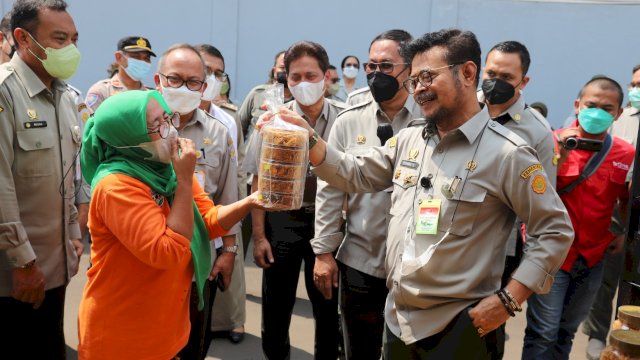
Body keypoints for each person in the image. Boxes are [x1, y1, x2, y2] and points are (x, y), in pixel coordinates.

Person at [262, 28, 574, 359]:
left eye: (427, 77)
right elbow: (353, 172)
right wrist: (308, 137)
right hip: (398, 320)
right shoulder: (411, 140)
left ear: (467, 73)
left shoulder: (508, 154)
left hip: (462, 326)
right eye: (413, 81)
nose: (418, 90)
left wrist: (509, 299)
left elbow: (554, 231)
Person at [77, 90, 261, 359]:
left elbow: (207, 221)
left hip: (165, 323)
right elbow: (167, 252)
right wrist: (185, 181)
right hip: (122, 332)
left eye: (167, 118)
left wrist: (253, 201)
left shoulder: (165, 169)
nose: (170, 130)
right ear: (128, 137)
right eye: (156, 125)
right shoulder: (116, 185)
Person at [312, 28, 421, 360]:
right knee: (359, 348)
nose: (376, 74)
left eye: (386, 66)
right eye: (370, 66)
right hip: (361, 257)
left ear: (410, 68)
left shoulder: (430, 117)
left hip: (415, 263)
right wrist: (324, 251)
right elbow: (331, 189)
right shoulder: (350, 119)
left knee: (407, 350)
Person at [245, 40, 345, 360]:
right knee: (276, 306)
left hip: (330, 224)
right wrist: (259, 237)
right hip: (283, 221)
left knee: (328, 308)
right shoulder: (273, 121)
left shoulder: (345, 120)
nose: (304, 83)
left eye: (311, 75)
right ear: (285, 79)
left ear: (327, 77)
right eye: (295, 77)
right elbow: (257, 180)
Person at [523, 76, 635, 360]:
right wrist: (556, 153)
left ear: (619, 114)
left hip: (592, 258)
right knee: (543, 331)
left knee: (566, 331)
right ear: (577, 105)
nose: (597, 112)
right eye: (591, 105)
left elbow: (625, 200)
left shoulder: (626, 153)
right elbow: (529, 194)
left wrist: (620, 233)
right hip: (553, 255)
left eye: (607, 108)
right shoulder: (550, 143)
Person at [0, 1, 83, 358]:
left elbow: (70, 173)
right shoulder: (5, 92)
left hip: (56, 265)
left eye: (75, 39)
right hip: (17, 273)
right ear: (23, 38)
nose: (71, 49)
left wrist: (75, 233)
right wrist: (23, 263)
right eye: (60, 39)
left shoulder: (66, 96)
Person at [153, 43, 240, 359]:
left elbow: (228, 197)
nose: (183, 88)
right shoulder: (139, 127)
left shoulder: (218, 132)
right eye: (174, 79)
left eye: (192, 82)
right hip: (148, 256)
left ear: (204, 87)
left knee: (193, 343)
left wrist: (228, 252)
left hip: (200, 258)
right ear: (158, 79)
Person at [478, 41, 556, 313]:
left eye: (507, 78)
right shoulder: (461, 111)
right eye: (491, 75)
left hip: (499, 250)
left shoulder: (537, 133)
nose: (496, 83)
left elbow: (543, 213)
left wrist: (522, 282)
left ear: (523, 81)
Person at [582, 64, 640, 360]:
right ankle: (597, 334)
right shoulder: (622, 118)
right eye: (633, 84)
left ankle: (630, 337)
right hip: (621, 207)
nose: (635, 91)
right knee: (607, 278)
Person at [196, 43, 249, 345]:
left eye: (219, 73)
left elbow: (236, 169)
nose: (212, 78)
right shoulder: (161, 115)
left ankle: (231, 321)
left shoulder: (227, 118)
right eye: (207, 71)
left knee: (227, 261)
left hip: (222, 205)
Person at [84, 36, 155, 112]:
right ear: (119, 57)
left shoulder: (153, 96)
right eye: (136, 57)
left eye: (147, 58)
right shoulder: (102, 92)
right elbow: (89, 122)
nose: (142, 62)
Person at [238, 50, 290, 142]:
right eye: (282, 68)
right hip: (254, 154)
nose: (286, 72)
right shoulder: (257, 94)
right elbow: (239, 128)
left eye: (290, 69)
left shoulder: (300, 102)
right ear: (274, 71)